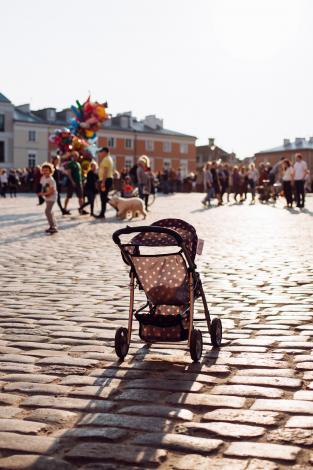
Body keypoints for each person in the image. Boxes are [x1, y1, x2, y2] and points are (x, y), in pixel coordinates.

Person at [37, 162, 58, 234]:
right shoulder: (42, 178)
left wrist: (43, 194)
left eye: (47, 170)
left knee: (47, 211)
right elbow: (42, 186)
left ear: (50, 171)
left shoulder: (51, 180)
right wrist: (40, 193)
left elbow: (52, 190)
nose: (45, 171)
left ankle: (53, 227)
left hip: (52, 197)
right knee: (50, 212)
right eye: (44, 170)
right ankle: (53, 225)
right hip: (47, 197)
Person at [95, 147, 114, 219]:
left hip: (105, 180)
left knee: (103, 198)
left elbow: (105, 171)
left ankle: (103, 213)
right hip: (107, 180)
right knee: (104, 197)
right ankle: (103, 213)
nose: (100, 154)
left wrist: (103, 182)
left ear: (105, 152)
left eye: (101, 152)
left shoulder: (106, 159)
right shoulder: (109, 158)